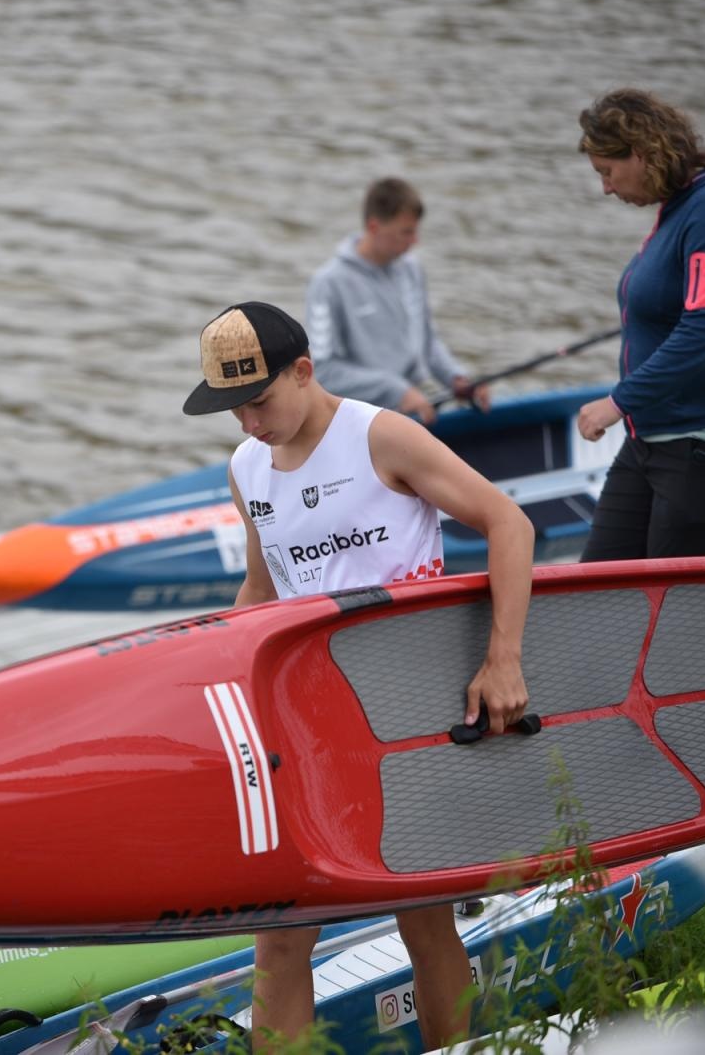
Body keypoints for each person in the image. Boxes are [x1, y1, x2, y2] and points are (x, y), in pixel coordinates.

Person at [182, 301, 534, 1051]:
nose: (248, 423)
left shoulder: (382, 436)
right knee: (280, 936)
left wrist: (502, 660)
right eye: (231, 410)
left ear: (303, 372)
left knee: (424, 921)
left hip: (405, 714)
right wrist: (202, 683)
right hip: (307, 724)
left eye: (259, 401)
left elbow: (509, 523)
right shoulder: (247, 468)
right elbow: (261, 593)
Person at [574, 89, 705, 560]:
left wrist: (617, 402)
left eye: (607, 172)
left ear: (642, 154)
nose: (606, 187)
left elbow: (704, 329)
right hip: (654, 438)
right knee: (594, 598)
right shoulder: (680, 209)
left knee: (679, 618)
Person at [303, 177, 490, 425]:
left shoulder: (411, 270)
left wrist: (456, 379)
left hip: (411, 412)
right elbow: (323, 372)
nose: (415, 241)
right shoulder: (328, 284)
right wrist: (396, 390)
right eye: (406, 232)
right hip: (358, 422)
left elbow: (426, 342)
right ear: (374, 227)